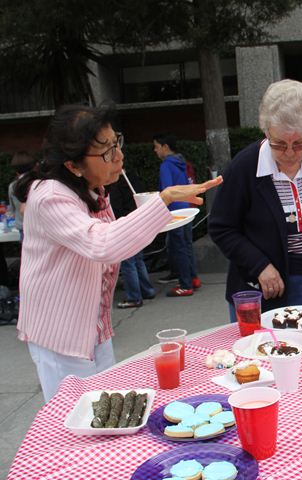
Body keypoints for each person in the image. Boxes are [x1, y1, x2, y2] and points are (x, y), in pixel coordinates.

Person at [14, 104, 222, 401]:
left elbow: (116, 242)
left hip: (94, 327)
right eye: (107, 152)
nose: (119, 157)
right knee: (81, 419)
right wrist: (161, 203)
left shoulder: (92, 188)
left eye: (117, 144)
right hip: (61, 335)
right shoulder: (50, 196)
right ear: (73, 164)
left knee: (106, 410)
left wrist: (155, 212)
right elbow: (102, 244)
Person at [209, 79, 302, 317]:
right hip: (263, 288)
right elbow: (222, 227)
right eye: (279, 143)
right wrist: (259, 266)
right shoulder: (244, 167)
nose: (290, 153)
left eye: (299, 143)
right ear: (266, 131)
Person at [153, 133, 200, 297]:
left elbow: (167, 191)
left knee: (178, 247)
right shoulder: (181, 162)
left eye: (156, 147)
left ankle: (185, 285)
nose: (155, 150)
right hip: (186, 208)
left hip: (174, 212)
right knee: (186, 245)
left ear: (165, 147)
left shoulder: (166, 165)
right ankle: (193, 278)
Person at [108, 170, 156, 308]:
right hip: (137, 220)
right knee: (138, 259)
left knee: (128, 262)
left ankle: (134, 297)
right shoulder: (132, 177)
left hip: (124, 223)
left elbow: (116, 206)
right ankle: (147, 290)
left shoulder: (116, 183)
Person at [8, 151, 36, 240]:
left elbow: (12, 209)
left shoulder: (13, 186)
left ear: (16, 171)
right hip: (38, 226)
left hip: (22, 225)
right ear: (34, 166)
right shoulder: (39, 183)